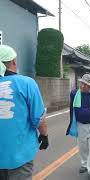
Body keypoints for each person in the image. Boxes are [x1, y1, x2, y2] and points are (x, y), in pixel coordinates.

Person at [0, 45, 49, 180]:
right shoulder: (26, 83)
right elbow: (38, 118)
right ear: (14, 61)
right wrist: (44, 135)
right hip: (19, 154)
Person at [66, 74, 90, 180]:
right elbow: (72, 109)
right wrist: (71, 122)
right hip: (80, 124)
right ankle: (84, 164)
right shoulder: (74, 93)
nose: (81, 85)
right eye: (81, 83)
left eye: (84, 84)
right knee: (82, 147)